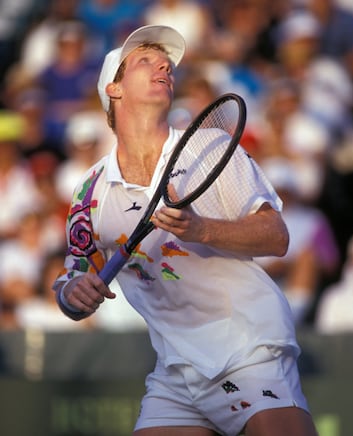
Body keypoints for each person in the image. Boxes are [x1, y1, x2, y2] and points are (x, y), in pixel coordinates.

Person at [53, 25, 318, 436]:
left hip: (249, 350)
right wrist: (72, 293)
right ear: (114, 88)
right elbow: (73, 280)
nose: (164, 65)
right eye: (145, 60)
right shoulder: (89, 191)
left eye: (167, 63)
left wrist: (202, 229)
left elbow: (276, 236)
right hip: (175, 370)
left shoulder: (210, 147)